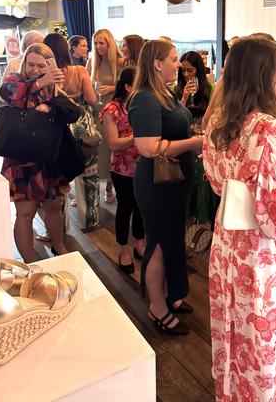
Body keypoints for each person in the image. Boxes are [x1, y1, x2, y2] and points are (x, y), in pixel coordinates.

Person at [203, 37, 276, 401]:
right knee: (266, 335)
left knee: (236, 332)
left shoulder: (217, 122)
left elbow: (219, 181)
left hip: (227, 248)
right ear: (266, 75)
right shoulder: (267, 130)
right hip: (261, 255)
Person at [128, 40, 203, 336]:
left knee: (172, 241)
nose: (178, 64)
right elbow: (148, 147)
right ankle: (157, 308)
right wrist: (193, 143)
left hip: (174, 182)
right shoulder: (144, 98)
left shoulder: (165, 93)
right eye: (173, 59)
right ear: (157, 64)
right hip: (157, 184)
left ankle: (171, 295)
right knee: (159, 244)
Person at [0, 43, 69, 262]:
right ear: (24, 62)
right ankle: (29, 263)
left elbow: (69, 111)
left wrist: (55, 97)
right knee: (25, 213)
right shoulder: (15, 79)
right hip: (20, 159)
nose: (35, 69)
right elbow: (9, 94)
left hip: (48, 157)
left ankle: (60, 247)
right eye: (31, 64)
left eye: (41, 65)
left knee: (54, 206)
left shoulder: (52, 85)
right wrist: (40, 82)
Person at [44, 33, 99, 230]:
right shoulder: (80, 71)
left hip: (59, 130)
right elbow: (92, 100)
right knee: (89, 176)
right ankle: (90, 220)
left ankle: (61, 227)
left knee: (60, 180)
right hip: (84, 129)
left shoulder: (46, 76)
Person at [100, 66, 145, 274]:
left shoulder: (143, 105)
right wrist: (137, 137)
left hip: (144, 164)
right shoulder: (112, 109)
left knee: (141, 206)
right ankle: (124, 249)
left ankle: (140, 242)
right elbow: (113, 143)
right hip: (122, 168)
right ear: (127, 86)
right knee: (125, 207)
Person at [87, 29, 125, 199]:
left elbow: (128, 87)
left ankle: (110, 188)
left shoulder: (120, 62)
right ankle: (91, 189)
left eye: (101, 43)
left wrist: (112, 88)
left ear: (110, 44)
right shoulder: (92, 62)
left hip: (113, 112)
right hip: (96, 110)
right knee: (96, 151)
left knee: (110, 150)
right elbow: (86, 84)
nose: (98, 46)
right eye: (95, 43)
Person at [175, 51, 212, 118]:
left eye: (190, 70)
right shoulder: (176, 89)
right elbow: (176, 117)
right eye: (183, 70)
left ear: (199, 70)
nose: (186, 74)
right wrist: (184, 98)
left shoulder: (209, 89)